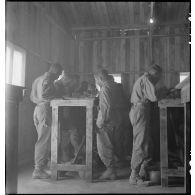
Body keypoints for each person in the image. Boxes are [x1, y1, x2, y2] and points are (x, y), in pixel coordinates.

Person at [129, 64, 168, 186]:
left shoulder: (146, 79)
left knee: (146, 142)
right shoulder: (147, 79)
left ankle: (141, 172)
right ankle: (133, 176)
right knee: (140, 143)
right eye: (159, 76)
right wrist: (165, 91)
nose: (159, 79)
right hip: (140, 110)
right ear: (155, 73)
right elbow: (154, 97)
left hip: (141, 109)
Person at [30, 63, 63, 179]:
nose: (59, 77)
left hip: (38, 109)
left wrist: (40, 102)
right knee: (43, 140)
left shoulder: (37, 79)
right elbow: (45, 95)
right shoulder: (48, 80)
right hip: (45, 110)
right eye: (59, 74)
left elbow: (32, 97)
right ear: (55, 71)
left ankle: (44, 166)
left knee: (45, 139)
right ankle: (38, 170)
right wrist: (58, 94)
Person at [94, 69, 123, 180]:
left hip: (108, 121)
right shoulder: (115, 86)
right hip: (117, 119)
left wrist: (101, 123)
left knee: (104, 146)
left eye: (96, 80)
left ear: (100, 78)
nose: (96, 82)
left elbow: (106, 107)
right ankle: (112, 170)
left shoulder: (105, 88)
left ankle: (111, 171)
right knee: (113, 145)